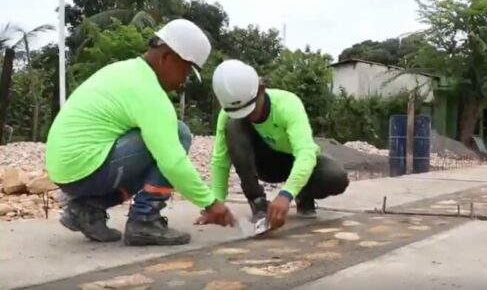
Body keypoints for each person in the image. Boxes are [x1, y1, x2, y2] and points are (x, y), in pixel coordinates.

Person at [46, 19, 236, 246]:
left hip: (68, 171)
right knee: (178, 134)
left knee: (157, 147)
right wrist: (211, 203)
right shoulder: (149, 92)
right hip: (86, 168)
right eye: (186, 69)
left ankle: (86, 210)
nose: (185, 80)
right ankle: (145, 220)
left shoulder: (126, 71)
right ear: (167, 57)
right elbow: (173, 163)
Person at [201, 59, 350, 230]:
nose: (248, 116)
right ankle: (258, 204)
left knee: (335, 176)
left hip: (293, 160)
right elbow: (220, 160)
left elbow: (305, 153)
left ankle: (303, 194)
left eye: (250, 109)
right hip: (266, 164)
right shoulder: (229, 113)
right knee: (233, 125)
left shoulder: (288, 104)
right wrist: (215, 204)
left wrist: (286, 194)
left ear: (261, 90)